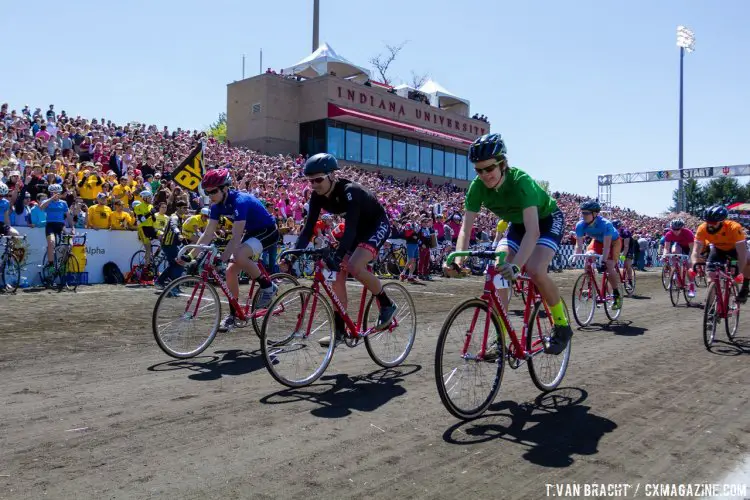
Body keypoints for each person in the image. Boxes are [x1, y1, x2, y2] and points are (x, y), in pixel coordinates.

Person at [445, 133, 572, 355]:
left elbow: (533, 232)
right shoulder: (476, 188)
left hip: (546, 220)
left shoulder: (521, 181)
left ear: (502, 164)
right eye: (479, 170)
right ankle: (501, 336)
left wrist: (517, 265)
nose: (484, 175)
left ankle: (561, 325)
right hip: (517, 224)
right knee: (497, 267)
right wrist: (459, 258)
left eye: (489, 168)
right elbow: (466, 228)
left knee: (534, 269)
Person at [292, 153, 396, 347]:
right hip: (356, 231)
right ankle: (340, 330)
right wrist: (293, 255)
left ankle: (387, 303)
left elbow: (350, 230)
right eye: (310, 181)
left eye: (318, 179)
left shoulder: (350, 192)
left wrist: (338, 256)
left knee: (354, 267)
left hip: (375, 225)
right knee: (336, 276)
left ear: (332, 175)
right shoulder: (317, 196)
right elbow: (307, 229)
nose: (313, 185)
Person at [190, 168, 280, 331]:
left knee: (238, 255)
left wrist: (222, 258)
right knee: (231, 272)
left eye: (213, 191)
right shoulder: (216, 205)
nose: (210, 196)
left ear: (225, 188)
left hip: (268, 231)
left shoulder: (241, 200)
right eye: (207, 192)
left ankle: (268, 286)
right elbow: (208, 233)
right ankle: (233, 315)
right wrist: (190, 256)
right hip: (252, 232)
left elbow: (236, 237)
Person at [691, 205, 749, 303]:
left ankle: (745, 287)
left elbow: (742, 254)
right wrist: (694, 264)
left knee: (745, 262)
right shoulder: (702, 228)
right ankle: (712, 307)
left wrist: (738, 273)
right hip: (718, 250)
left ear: (722, 221)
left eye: (713, 223)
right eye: (707, 222)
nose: (710, 225)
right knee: (711, 276)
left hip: (734, 251)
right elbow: (695, 251)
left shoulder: (734, 228)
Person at [574, 200, 623, 310]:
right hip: (597, 241)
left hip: (613, 243)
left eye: (586, 213)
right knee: (588, 258)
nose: (584, 216)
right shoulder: (580, 225)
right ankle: (590, 287)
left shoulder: (606, 224)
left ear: (595, 214)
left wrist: (603, 261)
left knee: (609, 265)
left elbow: (606, 247)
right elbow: (579, 245)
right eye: (582, 213)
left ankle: (616, 294)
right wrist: (575, 258)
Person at [39, 184, 74, 271]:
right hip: (50, 225)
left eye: (57, 193)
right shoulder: (48, 201)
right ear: (50, 193)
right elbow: (41, 207)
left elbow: (68, 216)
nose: (55, 194)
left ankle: (63, 263)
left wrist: (73, 227)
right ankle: (51, 265)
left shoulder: (63, 203)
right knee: (51, 242)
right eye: (53, 193)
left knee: (70, 244)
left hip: (61, 226)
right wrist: (51, 199)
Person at [661, 218, 696, 298]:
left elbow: (692, 249)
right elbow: (666, 248)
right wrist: (664, 255)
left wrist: (691, 259)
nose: (676, 231)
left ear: (682, 228)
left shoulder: (688, 233)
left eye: (678, 229)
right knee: (673, 253)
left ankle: (691, 286)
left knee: (689, 266)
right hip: (679, 245)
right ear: (671, 228)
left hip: (689, 247)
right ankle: (676, 270)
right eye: (674, 229)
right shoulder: (669, 234)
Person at [612, 220, 635, 289]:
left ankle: (630, 281)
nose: (616, 229)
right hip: (619, 247)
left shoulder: (625, 232)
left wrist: (622, 256)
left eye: (617, 227)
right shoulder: (612, 232)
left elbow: (626, 246)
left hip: (628, 248)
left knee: (627, 265)